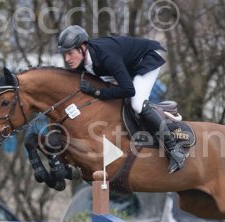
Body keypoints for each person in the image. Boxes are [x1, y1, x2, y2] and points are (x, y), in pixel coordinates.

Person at [57, 25, 187, 174]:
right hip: (126, 65)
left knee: (137, 103)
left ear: (83, 47)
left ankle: (174, 149)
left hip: (146, 59)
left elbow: (128, 90)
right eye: (65, 54)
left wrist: (97, 92)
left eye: (70, 53)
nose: (67, 59)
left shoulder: (106, 56)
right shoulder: (84, 62)